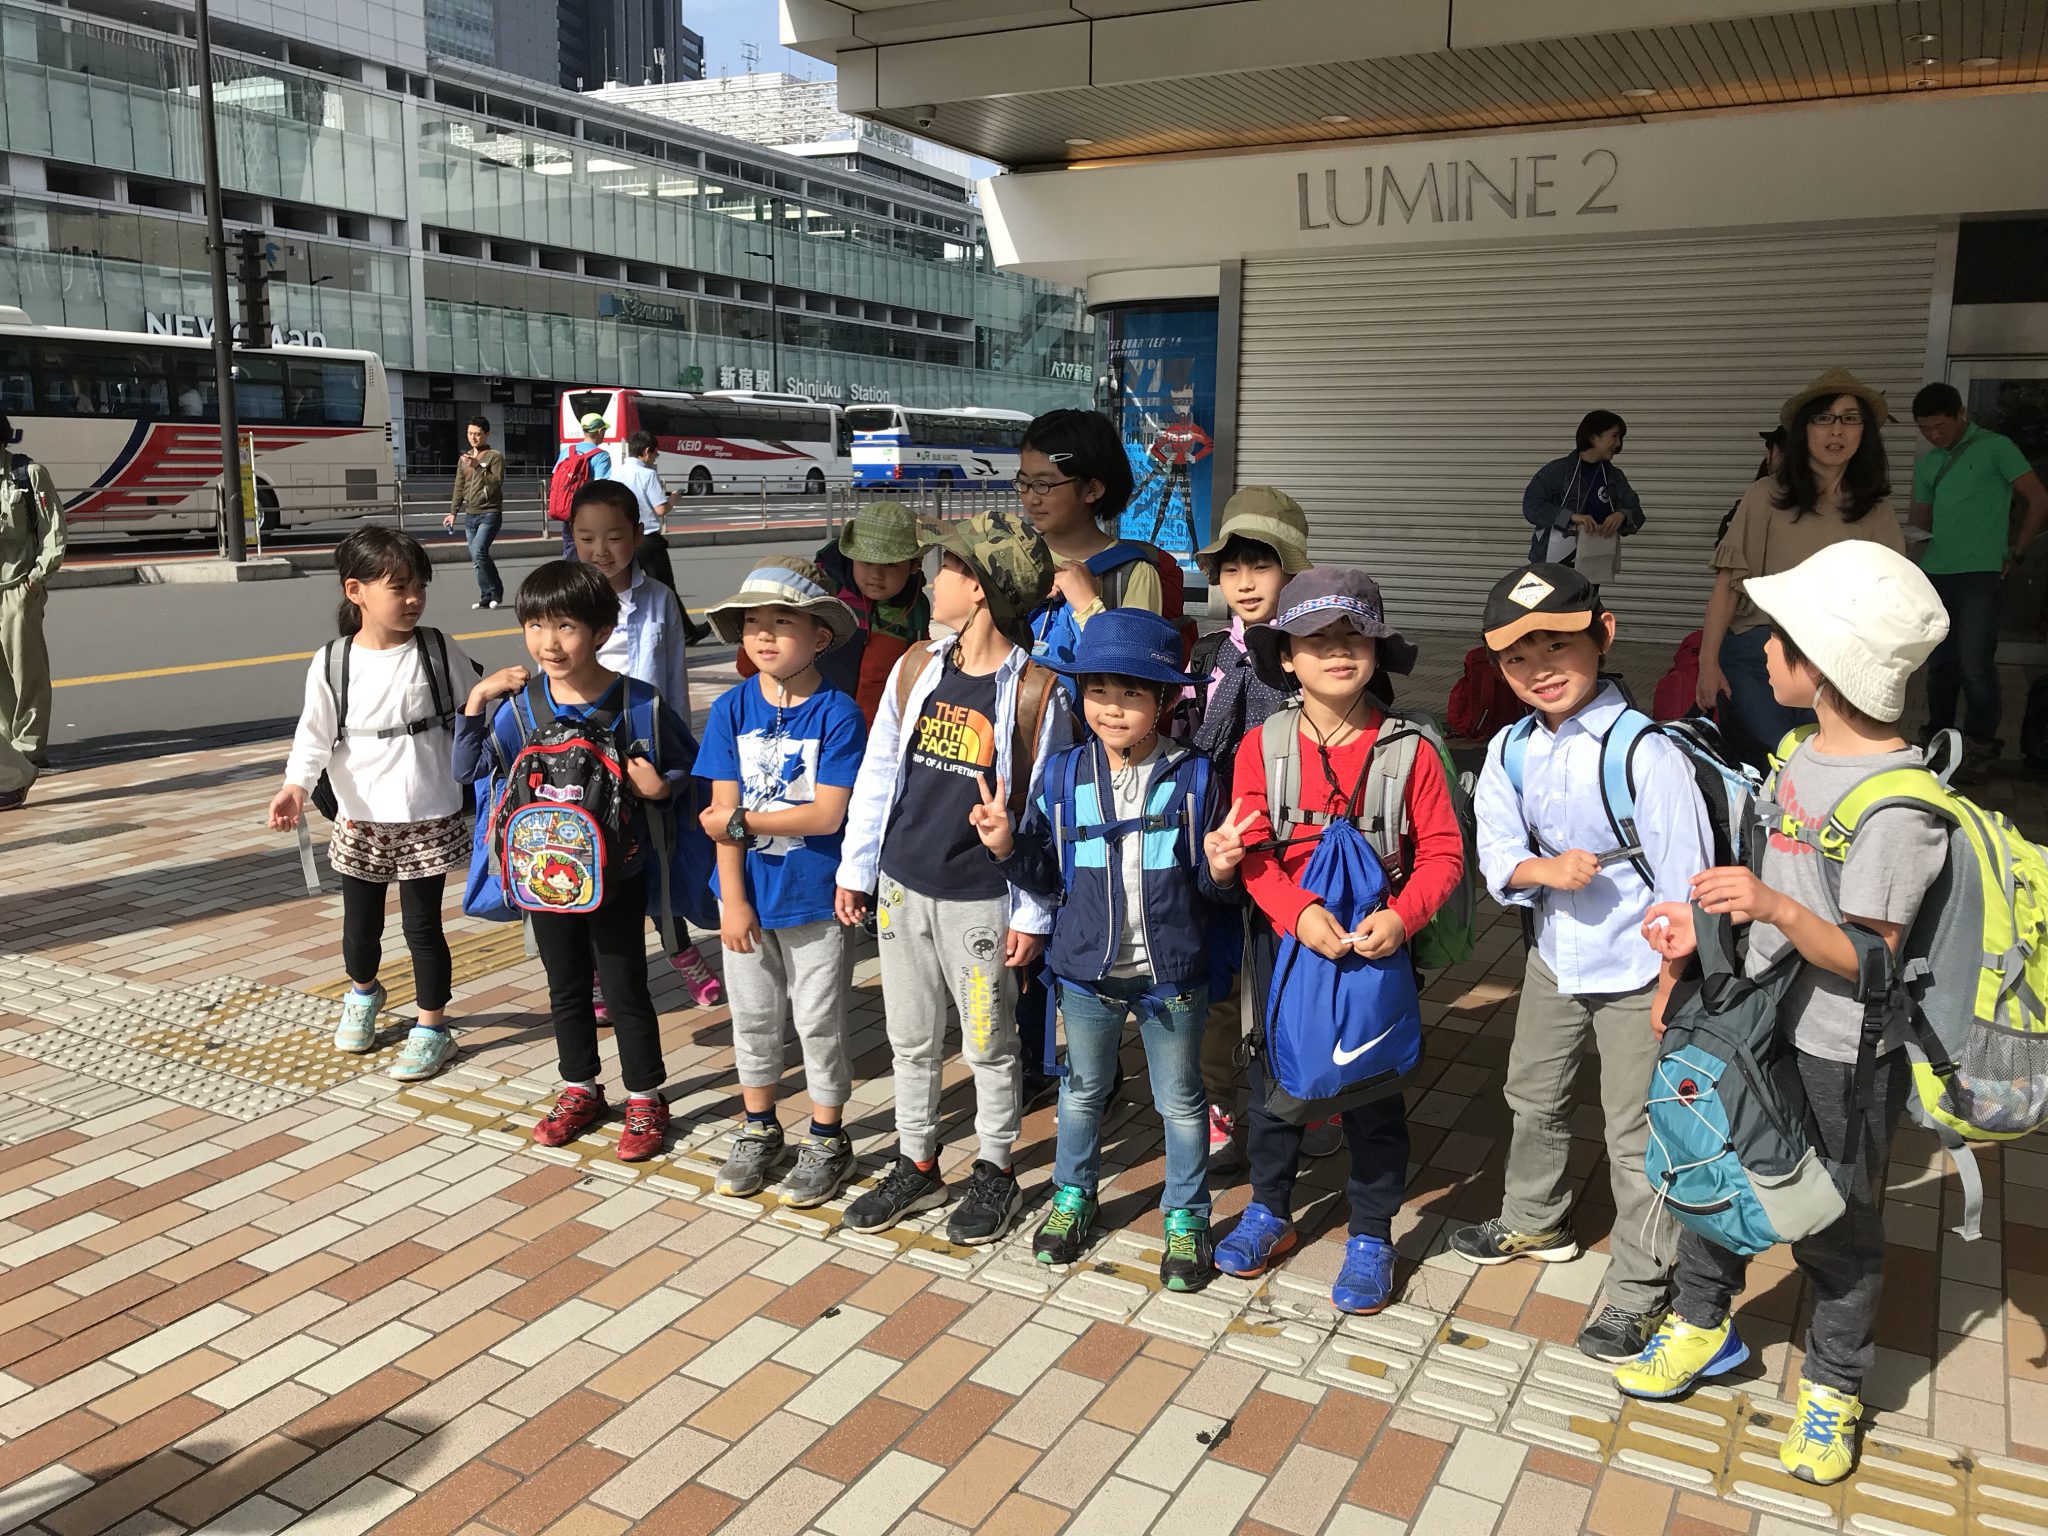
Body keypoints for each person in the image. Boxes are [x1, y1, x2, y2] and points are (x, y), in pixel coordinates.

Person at [1621, 540, 1951, 1488]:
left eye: (1777, 635)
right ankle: (1701, 1323)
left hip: (1844, 1048)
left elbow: (1869, 957)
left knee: (1837, 1222)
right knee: (1717, 1168)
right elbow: (1777, 880)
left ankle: (1834, 1387)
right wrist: (1708, 927)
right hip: (1757, 1021)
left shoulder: (1900, 807)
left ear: (1828, 662)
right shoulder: (1800, 753)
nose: (1758, 647)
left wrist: (1771, 907)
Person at [1452, 562, 1712, 1362]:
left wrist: (1671, 987)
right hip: (1553, 959)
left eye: (1558, 645)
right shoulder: (1510, 748)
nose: (1541, 669)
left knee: (1636, 1132)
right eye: (1518, 657)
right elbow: (1498, 854)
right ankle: (1535, 1219)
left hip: (1640, 971)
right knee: (1533, 1096)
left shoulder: (1646, 753)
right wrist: (1545, 869)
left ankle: (1640, 1288)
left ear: (1603, 635)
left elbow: (1686, 886)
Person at [1205, 569, 1466, 1314]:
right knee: (1277, 1086)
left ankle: (1373, 1234)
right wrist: (1296, 913)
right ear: (1286, 659)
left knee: (1373, 1094)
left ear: (1378, 652)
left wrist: (1403, 919)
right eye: (1315, 641)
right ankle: (1269, 1209)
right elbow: (1254, 853)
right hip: (1289, 947)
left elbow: (1443, 853)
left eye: (1355, 637)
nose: (1338, 652)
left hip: (1377, 944)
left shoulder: (1411, 749)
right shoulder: (1262, 746)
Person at [834, 510, 1072, 1246]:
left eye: (949, 568)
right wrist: (857, 869)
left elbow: (1045, 813)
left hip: (980, 900)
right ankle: (917, 1162)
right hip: (902, 886)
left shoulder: (1037, 692)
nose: (933, 579)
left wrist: (1031, 913)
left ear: (980, 589)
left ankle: (996, 1170)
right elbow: (881, 773)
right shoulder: (917, 666)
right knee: (909, 1038)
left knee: (989, 1043)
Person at [973, 609, 1227, 1290]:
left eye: (1132, 693)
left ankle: (1187, 1215)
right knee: (1082, 1092)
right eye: (1098, 691)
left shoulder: (1196, 777)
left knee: (1181, 1102)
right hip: (1086, 971)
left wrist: (1223, 868)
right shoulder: (1063, 776)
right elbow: (1046, 876)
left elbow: (1212, 891)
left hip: (1172, 973)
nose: (1112, 708)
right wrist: (1005, 845)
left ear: (1165, 700)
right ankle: (1073, 1196)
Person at [454, 561, 696, 1162]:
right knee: (565, 988)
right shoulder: (520, 706)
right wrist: (476, 701)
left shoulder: (638, 702)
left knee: (625, 987)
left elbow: (689, 767)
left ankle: (646, 1098)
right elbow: (469, 771)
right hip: (542, 876)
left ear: (602, 631)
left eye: (565, 626)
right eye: (535, 625)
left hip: (619, 874)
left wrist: (663, 786)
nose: (549, 643)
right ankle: (580, 1088)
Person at [267, 528, 479, 1082]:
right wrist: (294, 787)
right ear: (355, 590)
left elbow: (473, 712)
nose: (414, 598)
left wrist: (494, 690)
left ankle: (432, 1028)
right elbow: (313, 736)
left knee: (422, 928)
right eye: (399, 587)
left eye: (419, 586)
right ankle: (363, 994)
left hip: (429, 813)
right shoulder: (332, 661)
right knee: (361, 928)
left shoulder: (437, 649)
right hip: (360, 818)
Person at [696, 558, 867, 1207]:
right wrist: (733, 901)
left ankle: (827, 1136)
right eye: (752, 623)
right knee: (754, 1020)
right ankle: (759, 1127)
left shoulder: (838, 713)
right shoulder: (730, 709)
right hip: (745, 899)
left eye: (782, 622)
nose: (763, 635)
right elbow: (718, 816)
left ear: (820, 636)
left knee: (820, 1021)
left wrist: (742, 821)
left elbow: (826, 815)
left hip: (815, 898)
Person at [1017, 407, 1163, 1102]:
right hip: (1020, 767)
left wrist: (1084, 606)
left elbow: (1142, 672)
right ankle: (1031, 1061)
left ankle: (1092, 1070)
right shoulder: (1013, 560)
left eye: (1046, 482)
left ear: (1093, 488)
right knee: (1025, 913)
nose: (1031, 497)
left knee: (1092, 913)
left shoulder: (1131, 569)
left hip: (1096, 777)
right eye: (1023, 482)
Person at [1185, 486, 1312, 1169]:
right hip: (1217, 841)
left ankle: (1304, 1097)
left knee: (1290, 978)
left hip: (1293, 849)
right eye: (1230, 568)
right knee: (1217, 983)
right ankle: (1218, 1105)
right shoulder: (1208, 656)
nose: (1244, 581)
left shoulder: (1312, 651)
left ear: (1290, 569)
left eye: (1260, 565)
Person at [569, 479, 724, 1010]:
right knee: (591, 861)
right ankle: (596, 977)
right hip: (581, 761)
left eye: (614, 537)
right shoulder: (565, 594)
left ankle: (681, 952)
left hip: (645, 755)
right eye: (586, 537)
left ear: (638, 534)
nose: (600, 550)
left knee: (659, 857)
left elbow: (673, 683)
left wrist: (678, 758)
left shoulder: (658, 599)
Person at [1698, 369, 1906, 759]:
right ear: (1804, 430)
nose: (1836, 430)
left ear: (1865, 432)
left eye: (1850, 419)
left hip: (1838, 662)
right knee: (1775, 759)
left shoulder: (1876, 510)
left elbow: (1890, 602)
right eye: (1823, 418)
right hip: (1759, 652)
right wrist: (1707, 663)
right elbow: (1727, 586)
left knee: (1825, 764)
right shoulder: (1764, 496)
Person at [1909, 381, 2048, 777]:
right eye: (1925, 429)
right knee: (1940, 663)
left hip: (1980, 574)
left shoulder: (1996, 447)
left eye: (1940, 426)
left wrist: (2017, 551)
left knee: (1975, 664)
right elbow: (1921, 521)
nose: (1934, 435)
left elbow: (2039, 498)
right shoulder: (1928, 463)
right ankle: (1937, 740)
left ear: (1961, 415)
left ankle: (1980, 745)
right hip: (1936, 572)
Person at [735, 499, 931, 725]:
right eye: (866, 562)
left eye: (890, 564)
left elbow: (918, 671)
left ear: (914, 565)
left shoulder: (915, 609)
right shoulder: (818, 593)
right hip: (804, 722)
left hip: (874, 730)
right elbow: (751, 664)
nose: (876, 575)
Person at [0, 413, 65, 797]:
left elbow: (53, 529)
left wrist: (36, 578)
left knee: (27, 671)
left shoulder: (27, 475)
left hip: (18, 586)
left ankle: (29, 748)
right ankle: (8, 748)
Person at [1521, 410, 1645, 569]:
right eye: (1614, 436)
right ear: (1593, 437)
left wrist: (1622, 515)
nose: (1618, 444)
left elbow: (1637, 512)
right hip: (1550, 562)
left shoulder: (1614, 476)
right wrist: (1571, 517)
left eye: (1620, 437)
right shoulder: (1556, 471)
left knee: (1590, 587)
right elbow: (1531, 507)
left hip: (1595, 561)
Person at [443, 415, 506, 611]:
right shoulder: (464, 458)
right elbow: (459, 486)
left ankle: (496, 591)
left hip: (490, 512)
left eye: (477, 434)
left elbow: (496, 483)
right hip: (470, 515)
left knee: (479, 551)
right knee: (476, 559)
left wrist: (477, 466)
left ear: (486, 434)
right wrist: (453, 512)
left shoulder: (494, 457)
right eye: (470, 433)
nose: (473, 438)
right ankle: (486, 596)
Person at [554, 413, 613, 559]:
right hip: (588, 510)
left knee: (570, 546)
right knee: (592, 549)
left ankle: (570, 572)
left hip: (568, 507)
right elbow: (601, 486)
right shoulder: (601, 455)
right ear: (600, 431)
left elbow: (556, 476)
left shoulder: (567, 451)